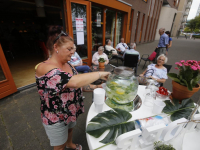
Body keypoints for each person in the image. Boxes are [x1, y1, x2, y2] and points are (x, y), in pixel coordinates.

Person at [35, 26, 110, 150]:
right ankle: (65, 145)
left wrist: (98, 86)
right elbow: (73, 82)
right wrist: (101, 73)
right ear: (56, 47)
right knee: (59, 146)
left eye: (73, 49)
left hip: (71, 109)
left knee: (70, 130)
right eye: (69, 49)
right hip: (56, 115)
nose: (73, 52)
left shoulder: (68, 64)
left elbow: (80, 85)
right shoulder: (44, 67)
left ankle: (69, 144)